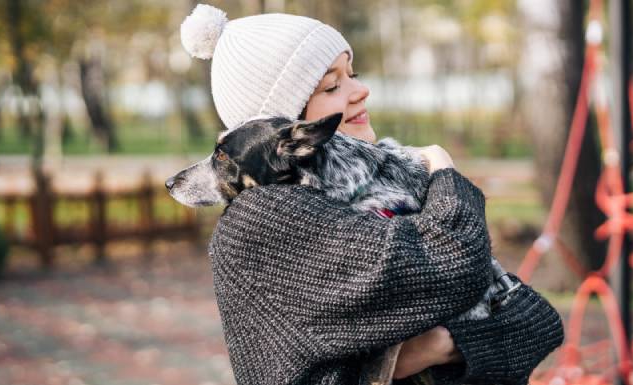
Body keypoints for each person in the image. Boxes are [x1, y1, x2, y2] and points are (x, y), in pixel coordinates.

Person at [180, 4, 564, 385]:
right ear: (284, 130)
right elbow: (457, 261)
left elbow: (536, 324)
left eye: (353, 74)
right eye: (332, 85)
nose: (360, 90)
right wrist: (443, 168)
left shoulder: (369, 189)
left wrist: (443, 345)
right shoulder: (264, 217)